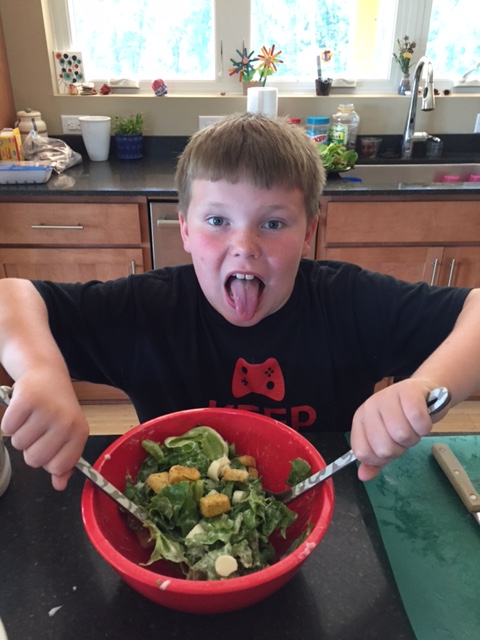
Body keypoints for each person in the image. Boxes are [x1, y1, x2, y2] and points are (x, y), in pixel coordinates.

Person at [1, 112, 480, 492]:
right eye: (217, 221)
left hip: (327, 512)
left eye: (273, 223)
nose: (244, 247)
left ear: (308, 233)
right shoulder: (148, 310)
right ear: (185, 230)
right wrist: (41, 370)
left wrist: (427, 387)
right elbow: (11, 295)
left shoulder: (348, 302)